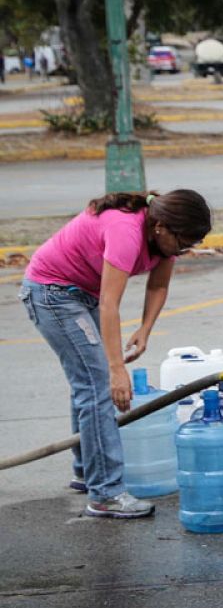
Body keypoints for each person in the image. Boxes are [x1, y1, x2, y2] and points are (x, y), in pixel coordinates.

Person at [21, 189, 212, 517]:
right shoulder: (125, 231)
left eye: (192, 243)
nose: (185, 248)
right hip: (53, 294)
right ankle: (105, 493)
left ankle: (86, 471)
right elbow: (110, 303)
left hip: (80, 294)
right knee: (97, 387)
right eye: (184, 241)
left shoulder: (164, 236)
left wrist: (145, 329)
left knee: (88, 384)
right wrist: (116, 370)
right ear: (160, 227)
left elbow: (158, 286)